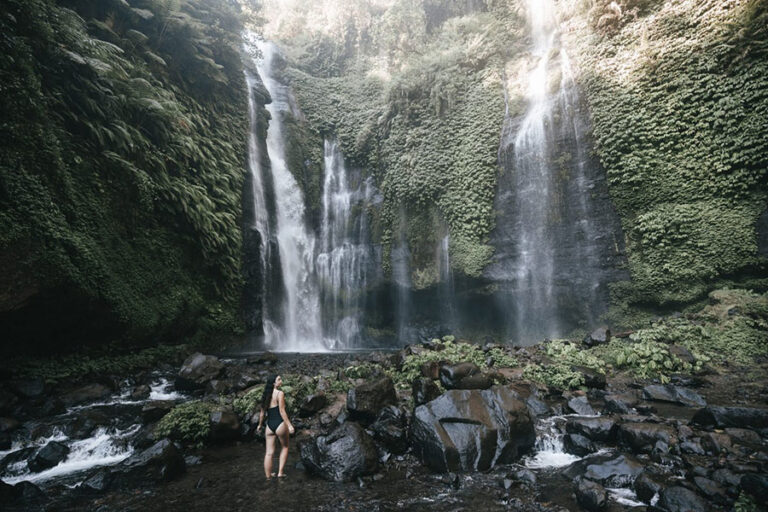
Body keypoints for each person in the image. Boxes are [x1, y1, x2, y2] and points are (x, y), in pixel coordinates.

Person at [256, 374, 295, 478]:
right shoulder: (280, 393)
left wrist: (259, 425)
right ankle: (280, 473)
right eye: (279, 379)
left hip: (269, 426)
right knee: (285, 447)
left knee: (269, 453)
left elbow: (262, 413)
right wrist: (290, 425)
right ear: (274, 383)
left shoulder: (266, 395)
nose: (281, 380)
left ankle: (268, 476)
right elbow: (282, 411)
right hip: (280, 424)